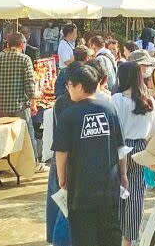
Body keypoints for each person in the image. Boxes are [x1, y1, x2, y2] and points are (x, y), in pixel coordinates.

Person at [52, 64, 128, 246]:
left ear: (79, 86)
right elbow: (120, 148)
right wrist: (123, 175)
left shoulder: (69, 115)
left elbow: (61, 152)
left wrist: (62, 178)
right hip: (109, 187)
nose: (68, 89)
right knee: (110, 236)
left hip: (80, 189)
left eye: (69, 85)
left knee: (84, 237)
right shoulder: (109, 109)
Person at [111, 62, 155, 246]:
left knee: (118, 191)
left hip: (119, 148)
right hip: (141, 148)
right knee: (137, 195)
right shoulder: (149, 100)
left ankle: (115, 232)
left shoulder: (116, 99)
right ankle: (129, 240)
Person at [0, 33, 38, 156]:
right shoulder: (25, 59)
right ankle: (33, 161)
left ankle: (6, 163)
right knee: (27, 134)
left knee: (5, 136)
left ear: (8, 45)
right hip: (20, 105)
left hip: (3, 105)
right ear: (21, 44)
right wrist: (33, 102)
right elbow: (29, 84)